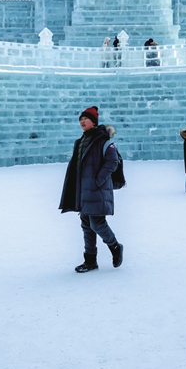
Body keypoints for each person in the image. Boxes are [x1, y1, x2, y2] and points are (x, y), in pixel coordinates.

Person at [58, 106, 123, 273]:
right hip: (83, 189)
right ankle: (90, 261)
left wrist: (98, 180)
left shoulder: (103, 140)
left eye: (85, 119)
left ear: (94, 122)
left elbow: (112, 162)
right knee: (86, 224)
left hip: (97, 189)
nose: (82, 121)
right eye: (80, 119)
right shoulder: (80, 141)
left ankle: (115, 246)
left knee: (97, 223)